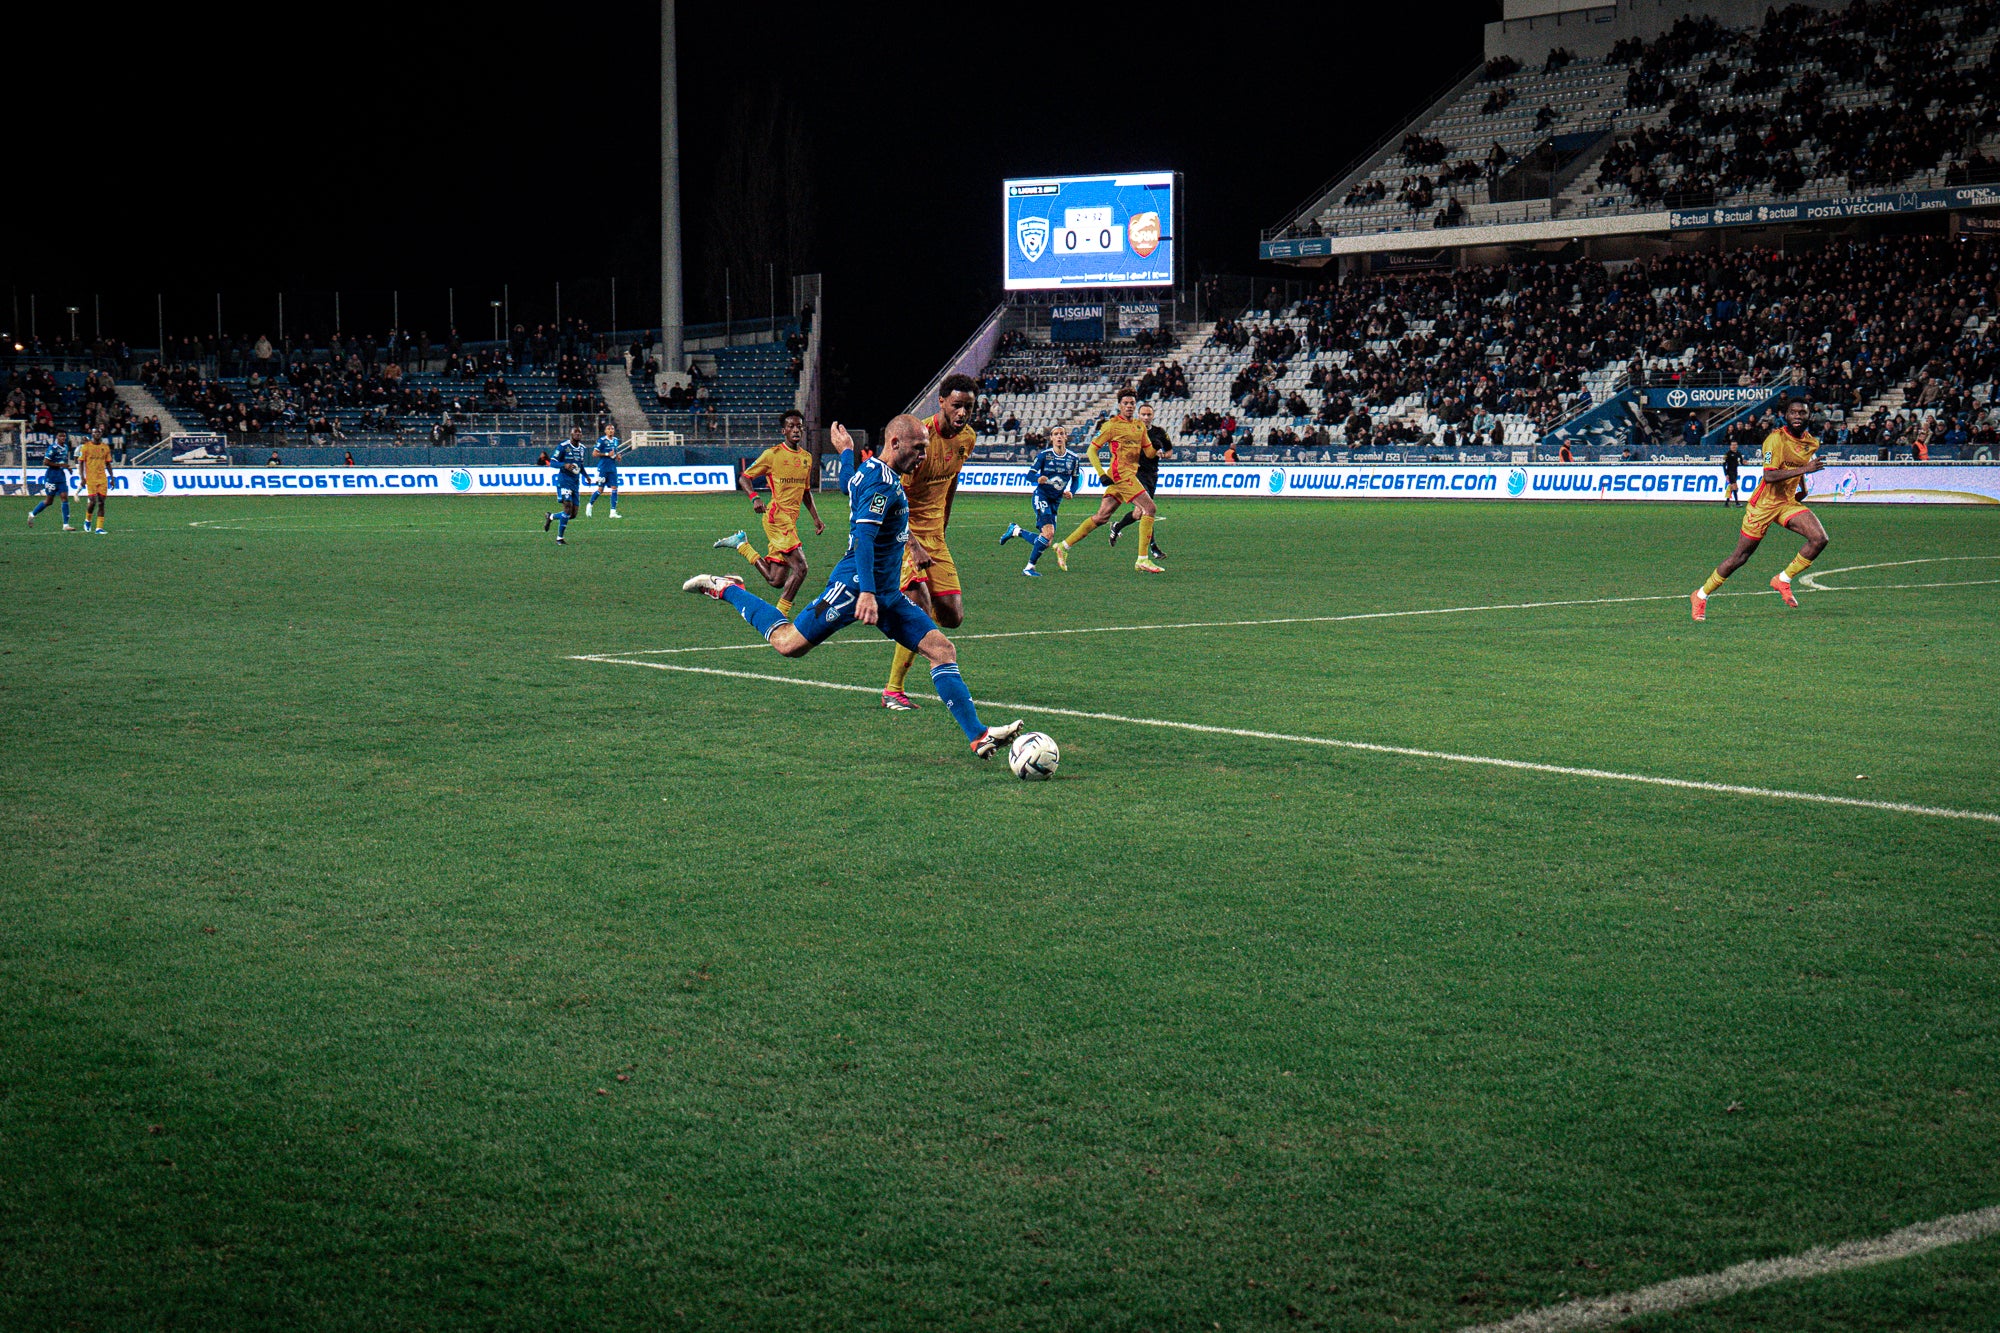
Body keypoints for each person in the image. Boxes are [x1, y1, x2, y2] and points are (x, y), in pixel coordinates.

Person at [683, 417, 1025, 759]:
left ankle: (978, 736)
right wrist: (864, 593)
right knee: (788, 645)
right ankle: (726, 588)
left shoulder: (870, 471)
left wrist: (846, 452)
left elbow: (849, 483)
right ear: (894, 444)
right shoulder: (883, 484)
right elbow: (865, 536)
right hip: (853, 588)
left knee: (942, 650)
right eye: (918, 448)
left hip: (887, 593)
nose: (924, 455)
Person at [881, 375, 978, 711]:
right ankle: (894, 689)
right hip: (902, 531)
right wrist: (910, 541)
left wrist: (943, 527)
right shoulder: (917, 439)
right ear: (941, 402)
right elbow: (893, 496)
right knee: (919, 608)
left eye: (968, 406)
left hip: (934, 536)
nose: (963, 412)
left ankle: (898, 611)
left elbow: (950, 483)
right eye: (957, 405)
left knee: (952, 616)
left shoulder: (967, 439)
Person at [1691, 396, 1827, 621]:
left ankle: (1782, 579)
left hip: (1786, 503)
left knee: (1819, 539)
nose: (1798, 416)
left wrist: (1802, 487)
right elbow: (1769, 475)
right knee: (1740, 557)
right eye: (1793, 412)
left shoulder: (1811, 442)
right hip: (1762, 506)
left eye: (1802, 412)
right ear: (1786, 415)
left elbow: (1799, 466)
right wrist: (1806, 468)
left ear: (1809, 415)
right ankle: (1701, 595)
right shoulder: (1774, 440)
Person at [714, 409, 824, 616]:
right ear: (784, 431)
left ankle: (742, 545)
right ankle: (779, 615)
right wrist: (754, 497)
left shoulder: (806, 458)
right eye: (791, 426)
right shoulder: (772, 455)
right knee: (801, 568)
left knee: (776, 579)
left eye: (799, 425)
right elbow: (744, 477)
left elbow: (805, 492)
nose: (796, 429)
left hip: (790, 521)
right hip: (776, 517)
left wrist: (816, 518)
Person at [1052, 390, 1163, 574]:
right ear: (1120, 405)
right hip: (1120, 475)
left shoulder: (1139, 426)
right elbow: (1091, 451)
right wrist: (1101, 473)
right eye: (1125, 403)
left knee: (1102, 517)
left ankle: (1063, 545)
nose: (1129, 406)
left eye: (1132, 403)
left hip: (1127, 475)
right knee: (1149, 509)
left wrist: (1156, 447)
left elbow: (1148, 452)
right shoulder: (1111, 426)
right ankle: (1143, 559)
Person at [999, 425, 1081, 576]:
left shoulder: (1073, 459)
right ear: (1051, 438)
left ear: (1066, 437)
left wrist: (1072, 492)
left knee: (1047, 540)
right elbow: (1029, 476)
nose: (1058, 436)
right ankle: (1029, 568)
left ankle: (1016, 531)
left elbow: (1076, 479)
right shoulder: (1044, 455)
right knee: (1048, 533)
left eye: (1061, 434)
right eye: (1055, 434)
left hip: (1055, 501)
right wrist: (1038, 478)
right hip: (1041, 496)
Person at [1108, 401, 1171, 559]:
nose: (1146, 417)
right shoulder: (1132, 431)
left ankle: (1117, 526)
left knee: (1138, 513)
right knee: (1148, 510)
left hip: (1152, 475)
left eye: (1149, 414)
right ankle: (1153, 548)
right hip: (1135, 473)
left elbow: (1169, 451)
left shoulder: (1160, 432)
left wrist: (1162, 454)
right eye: (1143, 414)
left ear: (1153, 416)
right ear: (1139, 415)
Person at [544, 425, 586, 544]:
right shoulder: (563, 447)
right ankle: (559, 538)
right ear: (571, 434)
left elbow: (580, 465)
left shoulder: (582, 448)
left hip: (575, 484)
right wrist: (564, 465)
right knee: (567, 508)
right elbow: (552, 462)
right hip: (564, 482)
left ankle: (551, 516)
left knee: (573, 514)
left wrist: (586, 475)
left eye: (580, 433)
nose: (578, 434)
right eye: (576, 432)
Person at [27, 431, 74, 530]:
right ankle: (32, 514)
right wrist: (61, 465)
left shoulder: (65, 447)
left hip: (61, 477)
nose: (63, 438)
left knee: (64, 497)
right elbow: (46, 462)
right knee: (49, 501)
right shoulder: (52, 448)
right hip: (51, 477)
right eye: (61, 436)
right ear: (57, 437)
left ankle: (66, 525)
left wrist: (67, 467)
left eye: (64, 436)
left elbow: (62, 461)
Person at [78, 430, 113, 534]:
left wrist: (112, 477)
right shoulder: (86, 447)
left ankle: (99, 528)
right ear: (92, 434)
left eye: (99, 432)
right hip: (91, 478)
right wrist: (82, 478)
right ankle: (87, 520)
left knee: (101, 502)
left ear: (101, 434)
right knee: (92, 502)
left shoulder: (105, 447)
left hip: (102, 478)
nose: (97, 434)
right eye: (95, 432)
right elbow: (80, 462)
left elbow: (108, 464)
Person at [586, 422, 624, 518]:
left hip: (612, 468)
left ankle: (613, 512)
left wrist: (617, 456)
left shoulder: (615, 440)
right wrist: (607, 454)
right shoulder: (602, 440)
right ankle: (590, 505)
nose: (611, 430)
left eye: (612, 429)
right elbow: (594, 454)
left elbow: (615, 451)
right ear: (605, 431)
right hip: (603, 468)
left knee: (614, 488)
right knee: (600, 489)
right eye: (609, 429)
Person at [1721, 440, 1742, 506]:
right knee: (1734, 486)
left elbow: (1741, 462)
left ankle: (1726, 503)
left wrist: (1744, 462)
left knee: (1732, 487)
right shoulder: (1728, 454)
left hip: (1735, 472)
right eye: (1732, 445)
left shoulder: (1738, 453)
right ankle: (1737, 503)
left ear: (1737, 446)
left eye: (1735, 445)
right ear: (1730, 446)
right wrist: (1726, 474)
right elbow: (1724, 465)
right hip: (1730, 472)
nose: (1734, 446)